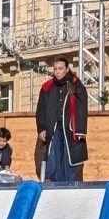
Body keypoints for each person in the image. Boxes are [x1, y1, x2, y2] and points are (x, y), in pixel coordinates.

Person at [35, 57, 89, 185]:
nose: (57, 72)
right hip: (53, 126)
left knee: (69, 156)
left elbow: (82, 108)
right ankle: (53, 182)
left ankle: (69, 183)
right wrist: (41, 128)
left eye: (60, 69)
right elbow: (40, 109)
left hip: (70, 127)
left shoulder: (76, 85)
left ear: (67, 69)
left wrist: (81, 130)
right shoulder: (47, 87)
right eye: (55, 69)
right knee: (53, 153)